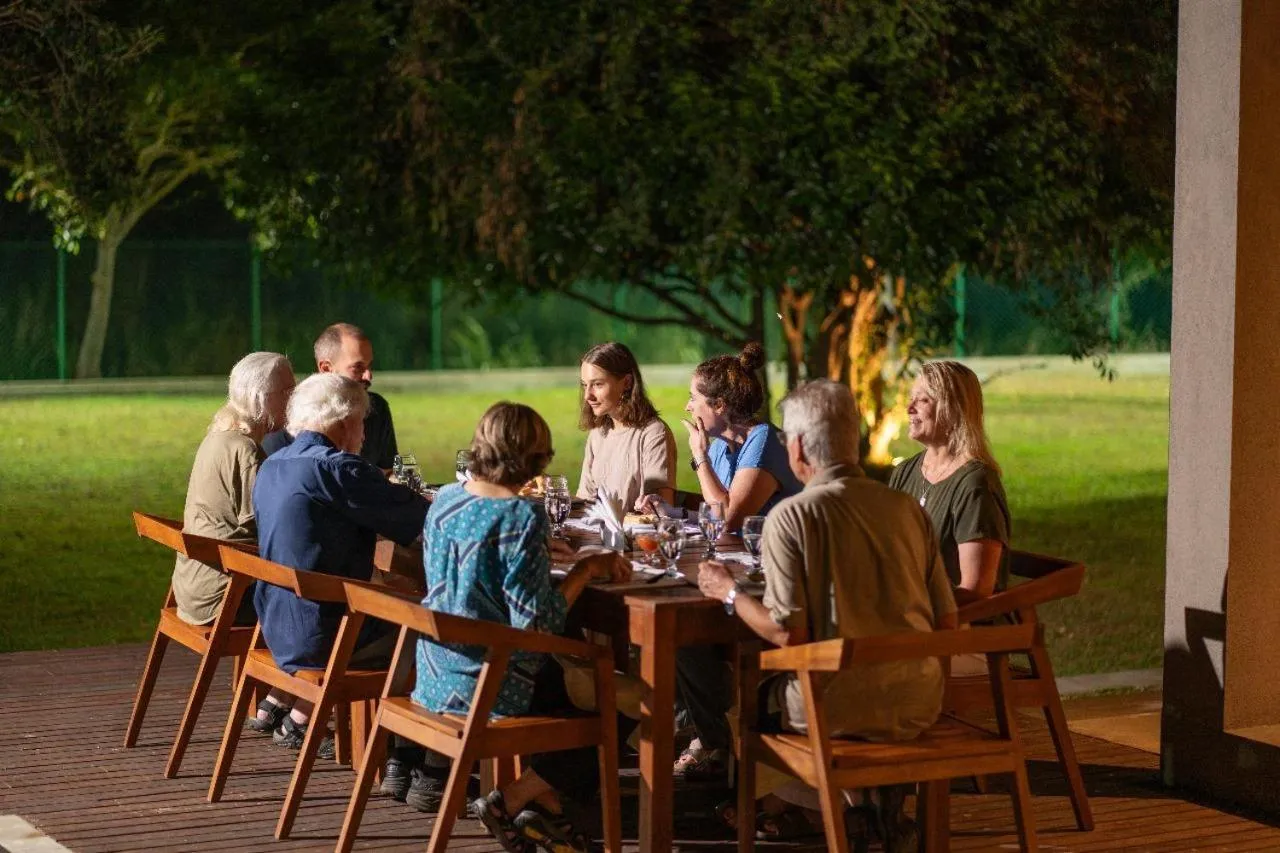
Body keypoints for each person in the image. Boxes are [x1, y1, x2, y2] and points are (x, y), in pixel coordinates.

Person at [694, 379, 957, 846]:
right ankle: (867, 807)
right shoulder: (906, 509)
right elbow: (947, 620)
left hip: (836, 705)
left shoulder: (791, 517)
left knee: (742, 699)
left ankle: (817, 810)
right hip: (920, 698)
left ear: (796, 447)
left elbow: (785, 633)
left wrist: (729, 591)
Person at [414, 402, 633, 853]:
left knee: (568, 684)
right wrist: (585, 571)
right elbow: (536, 625)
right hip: (490, 684)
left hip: (438, 673)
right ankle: (512, 799)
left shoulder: (447, 500)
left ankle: (542, 810)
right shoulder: (520, 517)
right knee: (622, 700)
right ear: (532, 457)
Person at [252, 372, 428, 757]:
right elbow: (419, 520)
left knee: (396, 598)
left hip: (277, 623)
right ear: (345, 421)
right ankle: (413, 762)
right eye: (363, 422)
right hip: (326, 633)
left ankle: (300, 716)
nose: (365, 434)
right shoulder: (339, 468)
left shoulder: (273, 464)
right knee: (438, 629)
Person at [172, 352, 295, 628]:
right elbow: (269, 528)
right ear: (261, 397)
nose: (295, 399)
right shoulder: (245, 450)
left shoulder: (217, 437)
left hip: (194, 590)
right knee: (325, 606)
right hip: (226, 596)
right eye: (289, 391)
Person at [888, 360, 1011, 606]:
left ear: (954, 409)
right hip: (908, 614)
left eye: (923, 400)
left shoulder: (975, 485)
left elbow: (976, 590)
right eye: (912, 398)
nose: (909, 408)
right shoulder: (905, 472)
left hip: (955, 626)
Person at [671, 341, 802, 531]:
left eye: (693, 398)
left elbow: (728, 520)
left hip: (771, 558)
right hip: (735, 556)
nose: (687, 406)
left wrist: (700, 457)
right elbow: (712, 514)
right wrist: (670, 512)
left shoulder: (764, 440)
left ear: (719, 405)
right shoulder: (718, 447)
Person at [263, 323, 399, 472]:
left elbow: (388, 473)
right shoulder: (292, 416)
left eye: (369, 366)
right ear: (326, 369)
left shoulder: (376, 408)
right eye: (358, 367)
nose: (368, 375)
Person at [576, 342, 677, 511]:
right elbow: (585, 499)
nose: (588, 395)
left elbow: (661, 510)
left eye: (598, 384)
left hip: (636, 536)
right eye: (585, 385)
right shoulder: (598, 433)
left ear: (627, 383)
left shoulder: (653, 433)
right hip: (596, 534)